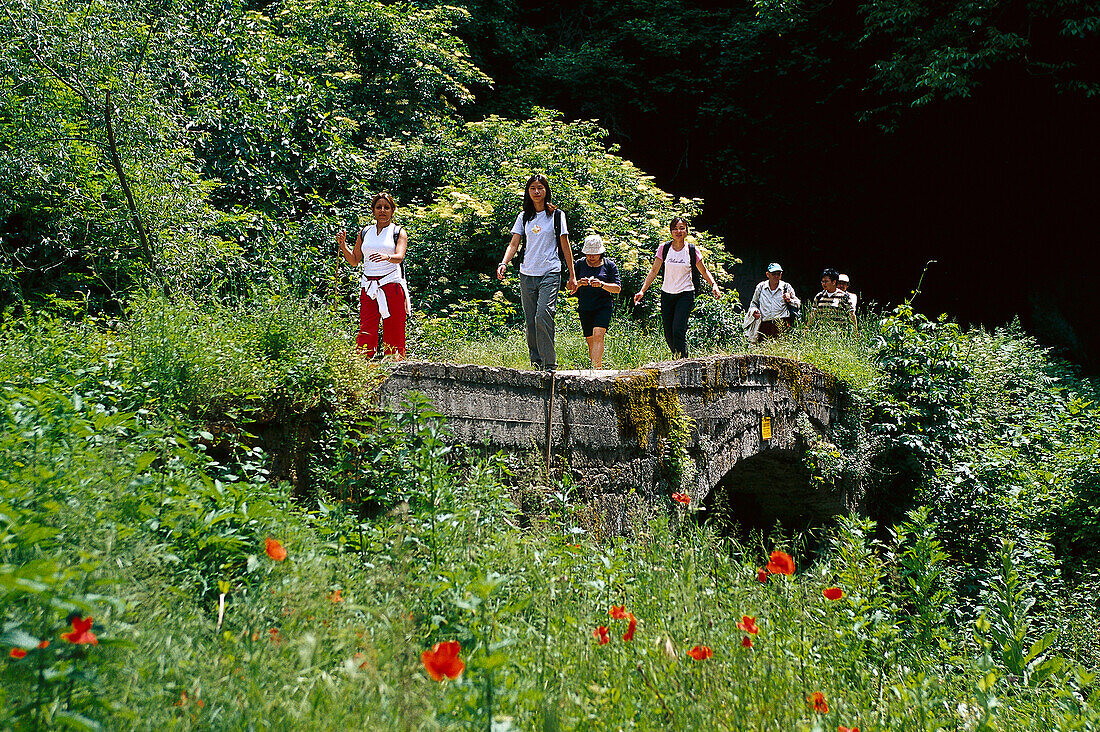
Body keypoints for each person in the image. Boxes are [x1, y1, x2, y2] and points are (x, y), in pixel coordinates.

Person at [496, 174, 578, 371]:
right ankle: (536, 363)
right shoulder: (524, 216)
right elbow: (514, 242)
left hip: (550, 271)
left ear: (546, 190)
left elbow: (565, 246)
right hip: (527, 273)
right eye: (532, 188)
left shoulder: (557, 216)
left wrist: (572, 275)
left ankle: (550, 364)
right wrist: (504, 262)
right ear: (528, 191)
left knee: (543, 315)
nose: (536, 192)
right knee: (531, 320)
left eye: (540, 188)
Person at [633, 217, 722, 359]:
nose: (678, 231)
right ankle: (680, 359)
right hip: (667, 294)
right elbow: (654, 271)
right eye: (675, 228)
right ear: (670, 231)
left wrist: (714, 285)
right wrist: (642, 290)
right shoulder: (664, 248)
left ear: (686, 230)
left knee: (678, 330)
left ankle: (682, 363)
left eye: (682, 228)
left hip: (685, 294)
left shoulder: (692, 250)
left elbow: (703, 271)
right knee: (668, 333)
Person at [337, 192, 410, 358]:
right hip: (369, 286)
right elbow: (354, 260)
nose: (382, 210)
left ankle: (394, 364)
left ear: (392, 210)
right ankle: (363, 363)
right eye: (379, 207)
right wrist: (343, 246)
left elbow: (399, 257)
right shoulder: (365, 232)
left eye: (386, 207)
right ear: (373, 210)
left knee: (394, 327)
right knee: (366, 327)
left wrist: (387, 257)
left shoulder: (398, 232)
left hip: (391, 284)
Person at [573, 234, 622, 368]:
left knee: (598, 335)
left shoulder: (609, 265)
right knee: (590, 340)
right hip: (585, 306)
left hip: (603, 305)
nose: (591, 257)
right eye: (588, 254)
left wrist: (602, 284)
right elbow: (569, 286)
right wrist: (579, 283)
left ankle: (597, 369)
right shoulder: (579, 264)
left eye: (594, 254)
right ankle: (595, 366)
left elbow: (617, 288)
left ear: (600, 253)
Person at [747, 263, 800, 341]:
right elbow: (754, 303)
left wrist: (789, 300)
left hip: (782, 324)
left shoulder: (786, 287)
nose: (776, 276)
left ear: (781, 275)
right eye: (773, 274)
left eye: (778, 274)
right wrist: (754, 311)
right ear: (767, 274)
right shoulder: (761, 287)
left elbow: (798, 304)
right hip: (764, 325)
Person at [807, 267, 857, 332]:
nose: (823, 284)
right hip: (822, 335)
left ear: (834, 282)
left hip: (839, 336)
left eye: (826, 281)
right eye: (822, 281)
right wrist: (807, 328)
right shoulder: (819, 296)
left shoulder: (844, 297)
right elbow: (813, 314)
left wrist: (855, 332)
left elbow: (851, 315)